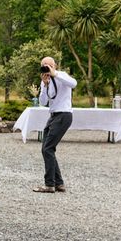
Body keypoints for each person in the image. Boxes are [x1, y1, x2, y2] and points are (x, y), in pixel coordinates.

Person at [33, 57, 77, 193]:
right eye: (43, 65)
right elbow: (43, 101)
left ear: (55, 66)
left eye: (49, 65)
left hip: (63, 115)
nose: (46, 67)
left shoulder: (61, 75)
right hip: (53, 116)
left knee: (47, 149)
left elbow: (74, 83)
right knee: (47, 148)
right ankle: (58, 183)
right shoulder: (44, 81)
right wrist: (45, 85)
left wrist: (55, 74)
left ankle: (49, 184)